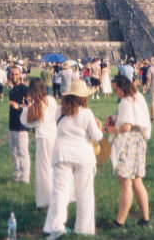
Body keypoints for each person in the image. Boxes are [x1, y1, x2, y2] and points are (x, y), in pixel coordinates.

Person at [43, 79, 104, 238]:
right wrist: (98, 126)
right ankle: (84, 228)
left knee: (60, 192)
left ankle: (56, 226)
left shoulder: (59, 111)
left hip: (62, 154)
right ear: (84, 97)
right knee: (84, 193)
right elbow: (97, 136)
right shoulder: (86, 113)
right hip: (83, 155)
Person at [107, 74, 152, 228]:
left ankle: (119, 221)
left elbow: (126, 126)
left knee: (126, 182)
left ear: (122, 88)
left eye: (116, 90)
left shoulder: (126, 102)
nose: (115, 93)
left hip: (128, 142)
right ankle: (145, 218)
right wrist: (114, 118)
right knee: (137, 181)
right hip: (139, 140)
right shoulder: (138, 97)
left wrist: (111, 129)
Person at [21, 77, 58, 209]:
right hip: (54, 136)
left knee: (43, 170)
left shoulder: (37, 105)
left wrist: (26, 108)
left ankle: (43, 201)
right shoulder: (52, 100)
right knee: (54, 168)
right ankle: (56, 197)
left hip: (43, 138)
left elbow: (28, 122)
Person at [7, 64, 31, 184]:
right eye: (12, 74)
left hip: (22, 126)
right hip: (12, 125)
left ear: (20, 75)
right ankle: (16, 174)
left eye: (16, 74)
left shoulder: (25, 89)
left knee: (22, 152)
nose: (14, 76)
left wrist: (19, 106)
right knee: (14, 152)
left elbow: (30, 106)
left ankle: (25, 177)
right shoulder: (11, 91)